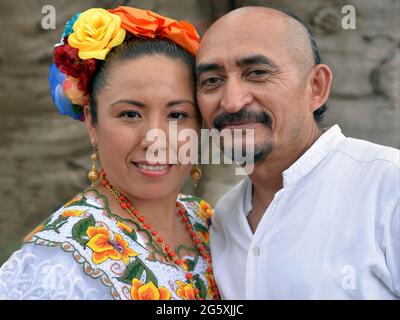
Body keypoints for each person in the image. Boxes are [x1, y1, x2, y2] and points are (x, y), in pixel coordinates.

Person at [0, 6, 219, 300]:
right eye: (130, 114)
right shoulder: (56, 267)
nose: (155, 140)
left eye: (177, 115)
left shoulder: (207, 221)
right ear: (92, 121)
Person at [196, 6, 399, 299]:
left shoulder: (387, 187)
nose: (232, 102)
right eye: (212, 80)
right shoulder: (224, 218)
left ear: (315, 87)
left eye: (257, 73)